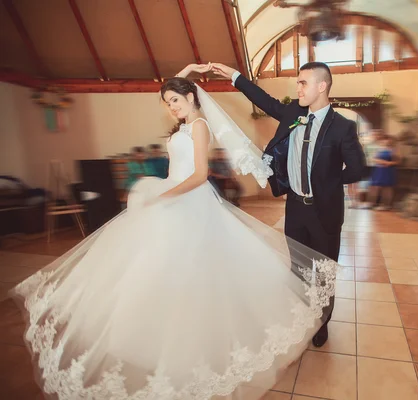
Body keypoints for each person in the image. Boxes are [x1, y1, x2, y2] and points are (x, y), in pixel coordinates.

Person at [10, 64, 338, 400]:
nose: (172, 107)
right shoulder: (181, 126)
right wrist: (188, 71)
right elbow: (177, 89)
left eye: (176, 101)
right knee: (155, 271)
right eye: (168, 102)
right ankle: (153, 336)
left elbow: (198, 175)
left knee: (193, 273)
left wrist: (162, 196)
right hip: (173, 197)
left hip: (191, 202)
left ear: (191, 98)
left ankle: (196, 342)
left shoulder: (198, 127)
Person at [211, 61, 366, 347]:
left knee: (324, 272)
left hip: (325, 212)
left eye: (303, 83)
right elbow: (263, 100)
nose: (297, 88)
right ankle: (302, 319)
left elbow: (358, 169)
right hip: (294, 208)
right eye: (297, 82)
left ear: (322, 86)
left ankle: (321, 323)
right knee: (299, 270)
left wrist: (328, 182)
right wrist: (235, 77)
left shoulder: (343, 127)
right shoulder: (293, 112)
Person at [366, 135, 398, 210]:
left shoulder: (394, 150)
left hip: (388, 170)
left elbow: (397, 161)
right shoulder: (378, 149)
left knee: (386, 187)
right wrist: (381, 161)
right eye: (384, 140)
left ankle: (385, 205)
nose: (385, 141)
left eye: (387, 140)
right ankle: (372, 203)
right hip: (378, 169)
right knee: (374, 186)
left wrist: (389, 163)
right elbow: (373, 158)